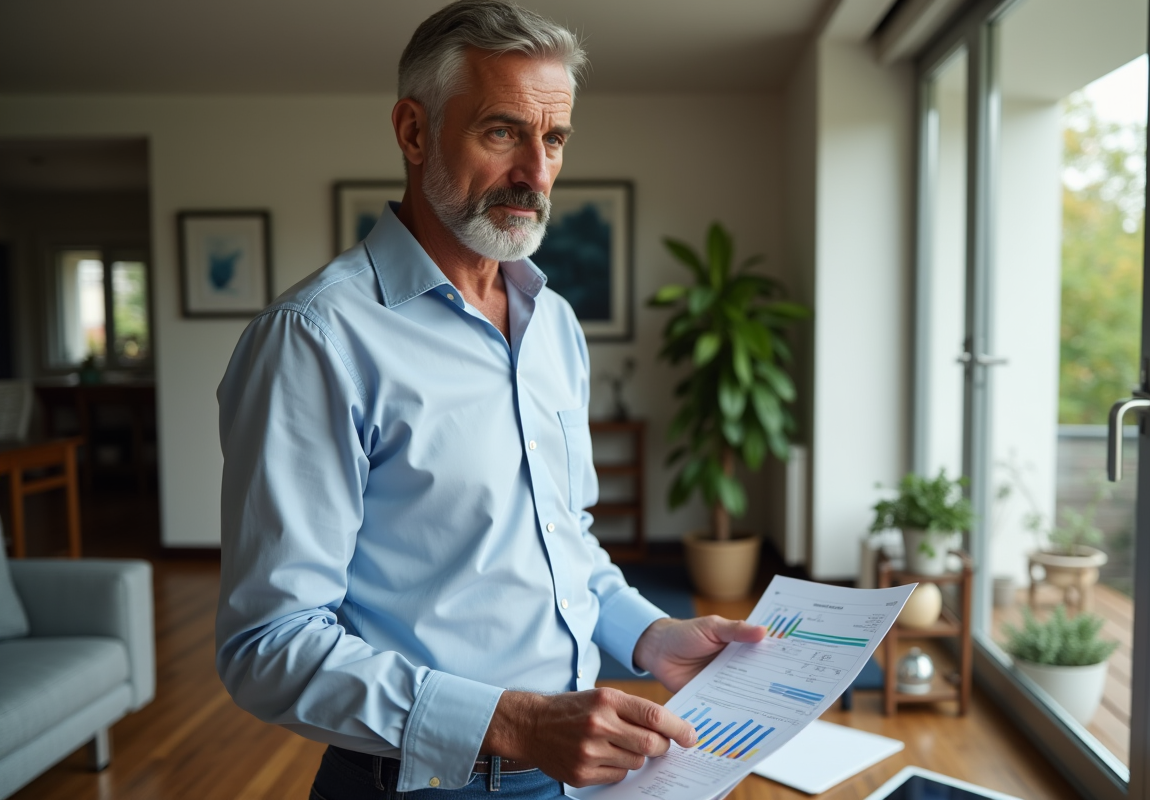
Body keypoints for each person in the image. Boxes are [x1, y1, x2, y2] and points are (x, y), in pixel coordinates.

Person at [215, 2, 765, 798]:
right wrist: (515, 724)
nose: (537, 175)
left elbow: (561, 544)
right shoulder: (315, 339)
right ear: (413, 132)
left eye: (554, 139)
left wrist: (651, 637)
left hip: (577, 774)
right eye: (503, 132)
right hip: (421, 783)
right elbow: (269, 645)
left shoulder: (555, 323)